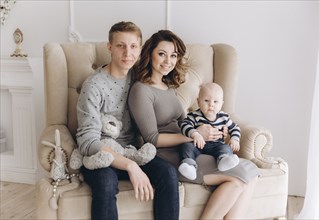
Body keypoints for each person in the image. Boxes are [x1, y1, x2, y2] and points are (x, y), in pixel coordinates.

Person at [128, 29, 259, 219]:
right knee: (239, 178)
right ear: (149, 54)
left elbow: (185, 122)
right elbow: (151, 139)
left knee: (250, 172)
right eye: (162, 54)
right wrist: (195, 135)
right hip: (169, 156)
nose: (168, 61)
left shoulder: (168, 87)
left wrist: (211, 131)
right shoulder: (140, 90)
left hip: (192, 147)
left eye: (173, 55)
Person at [76, 21, 179, 220]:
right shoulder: (93, 86)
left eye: (133, 46)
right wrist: (130, 166)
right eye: (120, 46)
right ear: (109, 47)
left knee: (168, 174)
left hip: (133, 151)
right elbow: (88, 143)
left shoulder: (140, 78)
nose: (127, 53)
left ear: (140, 49)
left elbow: (166, 66)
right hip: (101, 156)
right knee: (106, 184)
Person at [179, 82, 240, 180]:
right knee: (186, 147)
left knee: (225, 148)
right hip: (197, 144)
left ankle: (223, 160)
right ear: (198, 101)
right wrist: (195, 134)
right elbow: (185, 125)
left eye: (216, 102)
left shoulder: (224, 117)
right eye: (206, 100)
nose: (211, 105)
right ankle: (189, 166)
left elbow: (235, 128)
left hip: (217, 145)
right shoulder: (194, 115)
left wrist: (234, 139)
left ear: (221, 104)